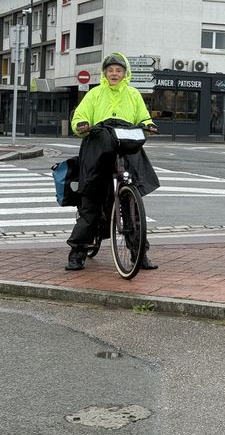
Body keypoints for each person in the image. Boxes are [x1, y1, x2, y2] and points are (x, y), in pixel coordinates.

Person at [65, 52, 159, 271]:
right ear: (104, 73)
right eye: (110, 70)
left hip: (126, 149)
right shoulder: (95, 94)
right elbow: (80, 116)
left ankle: (139, 254)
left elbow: (143, 117)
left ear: (125, 73)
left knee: (131, 205)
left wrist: (148, 124)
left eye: (118, 70)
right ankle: (77, 252)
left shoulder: (133, 94)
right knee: (91, 203)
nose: (114, 74)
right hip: (98, 148)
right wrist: (82, 125)